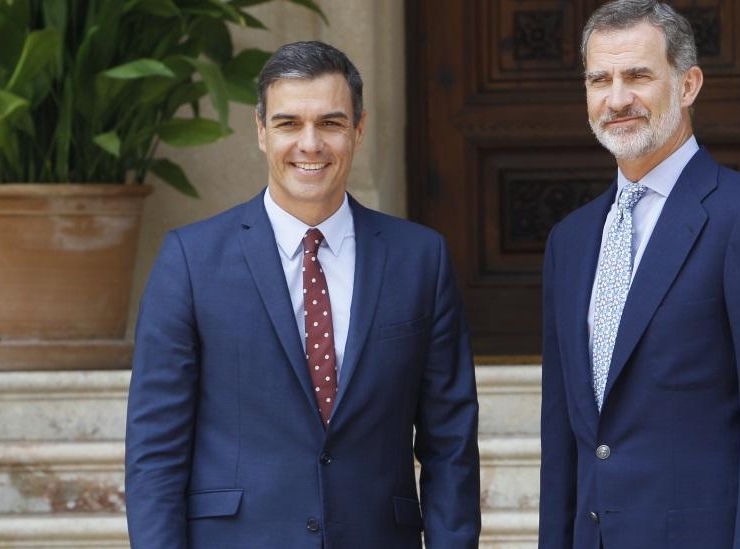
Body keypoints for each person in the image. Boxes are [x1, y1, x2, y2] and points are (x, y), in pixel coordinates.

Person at [125, 41, 480, 549]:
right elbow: (155, 450)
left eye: (331, 124)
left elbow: (451, 446)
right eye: (289, 123)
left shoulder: (421, 259)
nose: (310, 144)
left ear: (358, 130)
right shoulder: (190, 259)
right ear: (261, 131)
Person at [539, 2, 740, 547]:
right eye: (599, 79)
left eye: (638, 76)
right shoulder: (571, 241)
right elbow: (564, 443)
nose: (617, 98)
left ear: (689, 84)